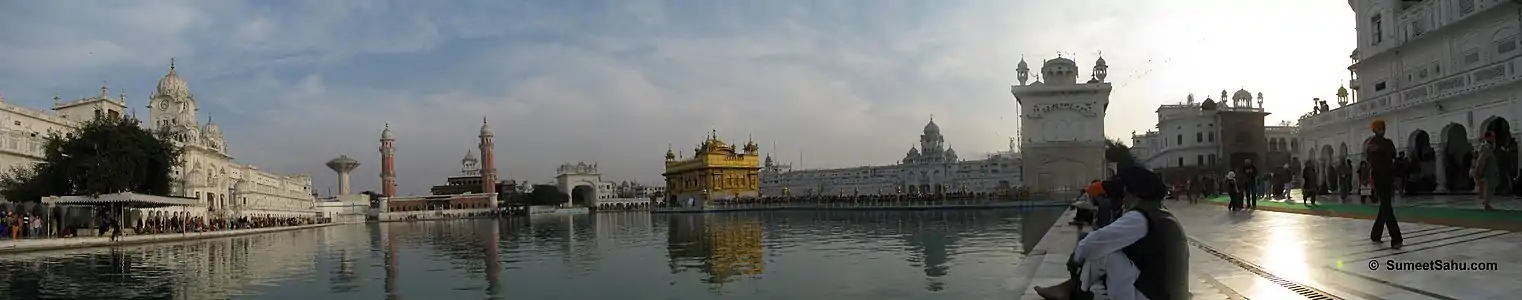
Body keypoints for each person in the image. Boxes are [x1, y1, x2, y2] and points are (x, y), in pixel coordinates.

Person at [1035, 166, 1190, 300]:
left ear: (1132, 194)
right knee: (1103, 247)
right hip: (1168, 295)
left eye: (1125, 193)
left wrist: (1075, 259)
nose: (1123, 199)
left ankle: (1073, 291)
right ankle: (1072, 289)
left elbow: (1095, 242)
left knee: (1104, 251)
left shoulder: (1139, 218)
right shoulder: (1160, 214)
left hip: (1153, 297)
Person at [1367, 119, 1402, 249]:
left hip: (1388, 177)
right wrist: (1383, 151)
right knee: (1387, 208)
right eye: (1379, 128)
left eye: (1383, 128)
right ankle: (1396, 238)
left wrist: (1380, 150)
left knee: (1384, 207)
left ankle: (1376, 234)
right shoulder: (1371, 143)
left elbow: (1392, 153)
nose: (1382, 130)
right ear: (1374, 130)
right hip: (1378, 178)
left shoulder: (1386, 143)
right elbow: (1374, 159)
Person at [1475, 132, 1499, 210]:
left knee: (1491, 188)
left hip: (1491, 172)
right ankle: (1486, 205)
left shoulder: (1490, 147)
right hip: (1488, 172)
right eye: (1493, 137)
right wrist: (1479, 172)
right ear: (1488, 138)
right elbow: (1481, 161)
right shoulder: (1485, 148)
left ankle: (1486, 203)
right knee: (1488, 188)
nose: (1494, 139)